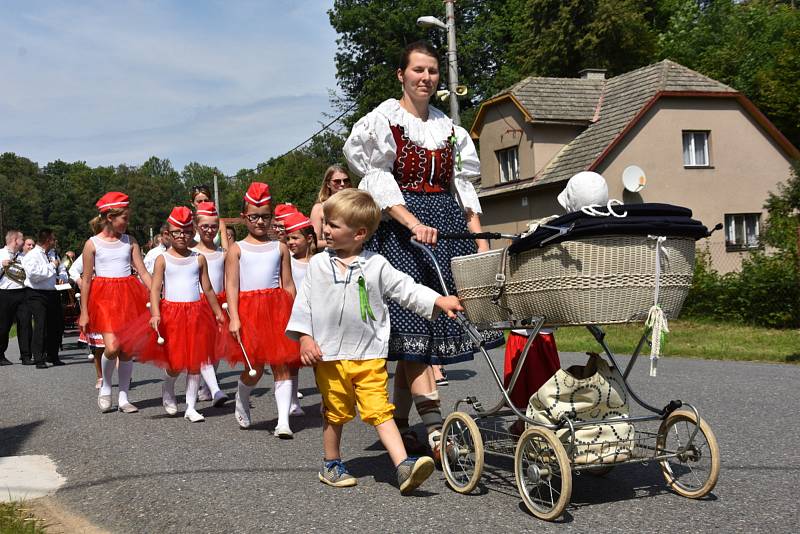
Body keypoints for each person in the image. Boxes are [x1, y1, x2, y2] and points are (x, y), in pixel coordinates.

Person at [343, 40, 503, 459]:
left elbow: (465, 192)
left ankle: (398, 424)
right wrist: (413, 222)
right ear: (401, 74)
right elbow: (376, 182)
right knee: (414, 328)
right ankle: (433, 426)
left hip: (446, 228)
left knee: (423, 335)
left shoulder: (449, 130)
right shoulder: (383, 121)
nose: (426, 78)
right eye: (418, 70)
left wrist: (479, 246)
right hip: (401, 231)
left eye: (432, 71)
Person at [286, 189, 464, 493]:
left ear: (360, 233)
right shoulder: (318, 265)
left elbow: (406, 288)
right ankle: (331, 463)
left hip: (369, 354)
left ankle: (402, 466)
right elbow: (304, 305)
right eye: (325, 223)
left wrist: (438, 300)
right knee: (335, 410)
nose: (325, 229)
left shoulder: (376, 265)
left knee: (379, 409)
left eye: (334, 225)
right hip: (330, 355)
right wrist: (305, 339)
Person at [119, 207, 225, 423]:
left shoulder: (199, 259)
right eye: (177, 232)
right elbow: (155, 289)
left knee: (195, 362)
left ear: (191, 231)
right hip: (172, 314)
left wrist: (218, 314)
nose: (181, 236)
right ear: (168, 232)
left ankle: (191, 407)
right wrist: (155, 314)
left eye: (186, 232)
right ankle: (167, 387)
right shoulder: (162, 259)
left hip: (196, 313)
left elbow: (209, 289)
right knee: (176, 365)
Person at [224, 182, 299, 436]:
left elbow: (287, 284)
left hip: (277, 310)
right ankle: (242, 396)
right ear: (245, 217)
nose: (260, 222)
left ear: (272, 218)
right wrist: (234, 318)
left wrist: (297, 315)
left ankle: (283, 422)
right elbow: (231, 285)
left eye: (265, 217)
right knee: (253, 368)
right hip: (249, 313)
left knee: (282, 364)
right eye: (254, 216)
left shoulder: (280, 247)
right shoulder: (236, 249)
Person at [78, 192, 152, 413]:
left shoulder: (130, 242)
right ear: (110, 217)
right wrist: (84, 312)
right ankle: (106, 387)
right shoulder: (92, 244)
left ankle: (124, 397)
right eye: (124, 218)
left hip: (128, 299)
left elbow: (143, 273)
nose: (127, 223)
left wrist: (157, 293)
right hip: (103, 301)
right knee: (112, 347)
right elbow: (86, 281)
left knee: (127, 350)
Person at [191, 201, 230, 406]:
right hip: (197, 304)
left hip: (219, 302)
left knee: (216, 349)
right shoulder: (192, 253)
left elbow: (226, 280)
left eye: (213, 226)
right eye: (205, 226)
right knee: (204, 347)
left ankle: (206, 387)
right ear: (197, 227)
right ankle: (215, 390)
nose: (209, 230)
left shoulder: (222, 254)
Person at [283, 210, 318, 415]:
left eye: (295, 237)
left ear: (309, 238)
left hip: (316, 315)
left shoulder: (319, 261)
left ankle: (328, 396)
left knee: (318, 359)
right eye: (288, 238)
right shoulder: (287, 261)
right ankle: (293, 399)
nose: (291, 242)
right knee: (292, 360)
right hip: (293, 314)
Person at [21, 229, 64, 368]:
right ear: (47, 240)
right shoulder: (32, 255)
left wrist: (60, 277)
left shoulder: (51, 254)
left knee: (55, 325)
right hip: (36, 294)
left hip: (52, 292)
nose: (55, 241)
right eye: (53, 239)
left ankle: (53, 355)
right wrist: (52, 266)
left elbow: (55, 271)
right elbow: (35, 275)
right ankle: (39, 358)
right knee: (41, 324)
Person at [69, 253, 105, 388]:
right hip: (94, 296)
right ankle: (100, 377)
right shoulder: (91, 249)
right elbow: (73, 270)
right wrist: (80, 282)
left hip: (113, 296)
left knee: (118, 343)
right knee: (98, 346)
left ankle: (123, 374)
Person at [0, 230, 31, 366]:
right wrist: (2, 265)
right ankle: (0, 355)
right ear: (15, 240)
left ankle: (26, 356)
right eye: (22, 239)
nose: (23, 242)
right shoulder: (0, 253)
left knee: (25, 324)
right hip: (5, 293)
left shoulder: (23, 256)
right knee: (3, 326)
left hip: (22, 292)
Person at [309, 165, 353, 242]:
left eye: (346, 180)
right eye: (337, 181)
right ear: (328, 184)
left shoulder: (355, 204)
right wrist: (340, 243)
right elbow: (314, 243)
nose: (342, 184)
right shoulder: (319, 208)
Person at [190, 184, 228, 251]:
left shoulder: (220, 224)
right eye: (199, 201)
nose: (203, 203)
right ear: (192, 203)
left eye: (206, 200)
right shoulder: (188, 224)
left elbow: (226, 250)